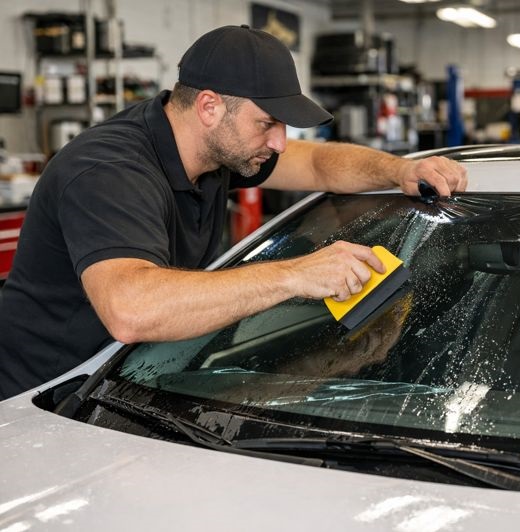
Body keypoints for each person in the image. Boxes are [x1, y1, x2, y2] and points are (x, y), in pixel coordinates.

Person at [0, 25, 467, 400]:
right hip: (40, 400)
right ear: (209, 107)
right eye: (268, 123)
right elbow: (132, 310)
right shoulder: (109, 171)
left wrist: (399, 169)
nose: (279, 142)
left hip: (123, 383)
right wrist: (296, 274)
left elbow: (318, 163)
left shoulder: (214, 151)